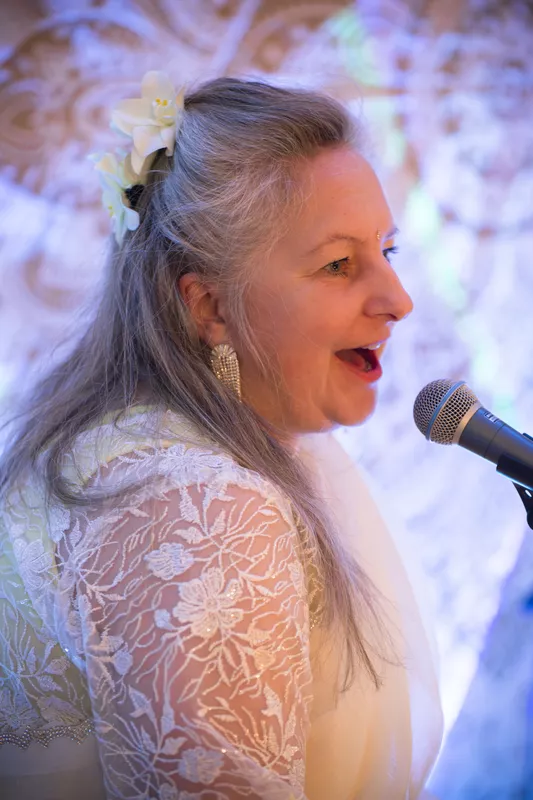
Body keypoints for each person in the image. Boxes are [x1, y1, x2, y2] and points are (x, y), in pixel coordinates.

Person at [0, 72, 443, 799]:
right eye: (338, 264)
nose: (398, 301)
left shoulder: (146, 446)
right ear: (209, 307)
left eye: (386, 253)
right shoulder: (196, 510)